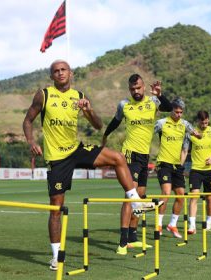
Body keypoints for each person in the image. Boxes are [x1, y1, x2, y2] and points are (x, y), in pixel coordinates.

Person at [23, 60, 158, 270]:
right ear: (51, 76)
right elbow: (28, 120)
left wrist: (88, 110)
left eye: (63, 70)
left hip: (76, 149)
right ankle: (56, 256)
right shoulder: (44, 94)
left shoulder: (79, 96)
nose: (60, 73)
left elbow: (98, 125)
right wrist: (31, 141)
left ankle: (135, 202)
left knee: (118, 158)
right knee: (56, 209)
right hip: (57, 158)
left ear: (71, 73)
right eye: (56, 71)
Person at [102, 74, 171, 255]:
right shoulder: (124, 105)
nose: (136, 91)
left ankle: (133, 237)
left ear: (143, 86)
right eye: (132, 89)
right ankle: (122, 242)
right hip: (129, 155)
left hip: (144, 156)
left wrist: (160, 94)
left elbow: (170, 108)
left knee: (139, 197)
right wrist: (105, 135)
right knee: (130, 197)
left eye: (138, 88)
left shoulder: (153, 102)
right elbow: (115, 122)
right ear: (129, 89)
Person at [155, 98, 200, 238]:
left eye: (181, 112)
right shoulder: (161, 123)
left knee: (181, 196)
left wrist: (198, 135)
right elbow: (148, 132)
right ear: (171, 110)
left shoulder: (185, 124)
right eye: (177, 112)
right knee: (166, 193)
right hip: (163, 163)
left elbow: (195, 133)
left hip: (177, 166)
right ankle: (158, 224)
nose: (179, 114)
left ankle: (172, 225)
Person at [181, 111, 211, 234]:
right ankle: (192, 226)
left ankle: (208, 222)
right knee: (194, 196)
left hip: (210, 171)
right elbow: (184, 150)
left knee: (209, 198)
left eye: (206, 122)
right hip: (196, 170)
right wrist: (179, 167)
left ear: (208, 120)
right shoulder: (190, 133)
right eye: (202, 122)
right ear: (197, 121)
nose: (204, 125)